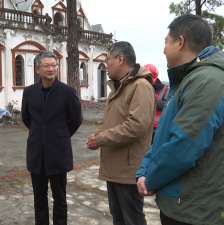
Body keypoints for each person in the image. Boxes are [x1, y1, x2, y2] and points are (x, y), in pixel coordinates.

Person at [136, 14, 224, 225]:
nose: (164, 49)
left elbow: (184, 146)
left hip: (195, 209)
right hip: (179, 201)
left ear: (180, 42)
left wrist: (151, 178)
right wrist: (143, 169)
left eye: (166, 42)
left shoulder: (207, 81)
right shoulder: (187, 80)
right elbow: (163, 135)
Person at [86, 41, 155, 225]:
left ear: (121, 59)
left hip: (129, 169)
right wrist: (97, 134)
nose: (106, 65)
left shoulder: (140, 86)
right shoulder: (117, 88)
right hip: (114, 167)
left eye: (108, 60)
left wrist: (101, 139)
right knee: (118, 218)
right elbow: (110, 122)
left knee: (132, 219)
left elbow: (136, 126)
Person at [21, 51, 82, 225]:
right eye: (46, 66)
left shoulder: (68, 92)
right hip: (36, 153)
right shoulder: (29, 92)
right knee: (39, 199)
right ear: (37, 69)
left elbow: (76, 120)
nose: (51, 69)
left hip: (58, 152)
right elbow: (26, 118)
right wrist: (39, 134)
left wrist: (60, 135)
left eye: (54, 65)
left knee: (60, 199)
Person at [144, 63, 169, 143]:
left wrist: (151, 101)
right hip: (145, 127)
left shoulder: (165, 89)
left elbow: (167, 105)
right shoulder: (142, 89)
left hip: (159, 128)